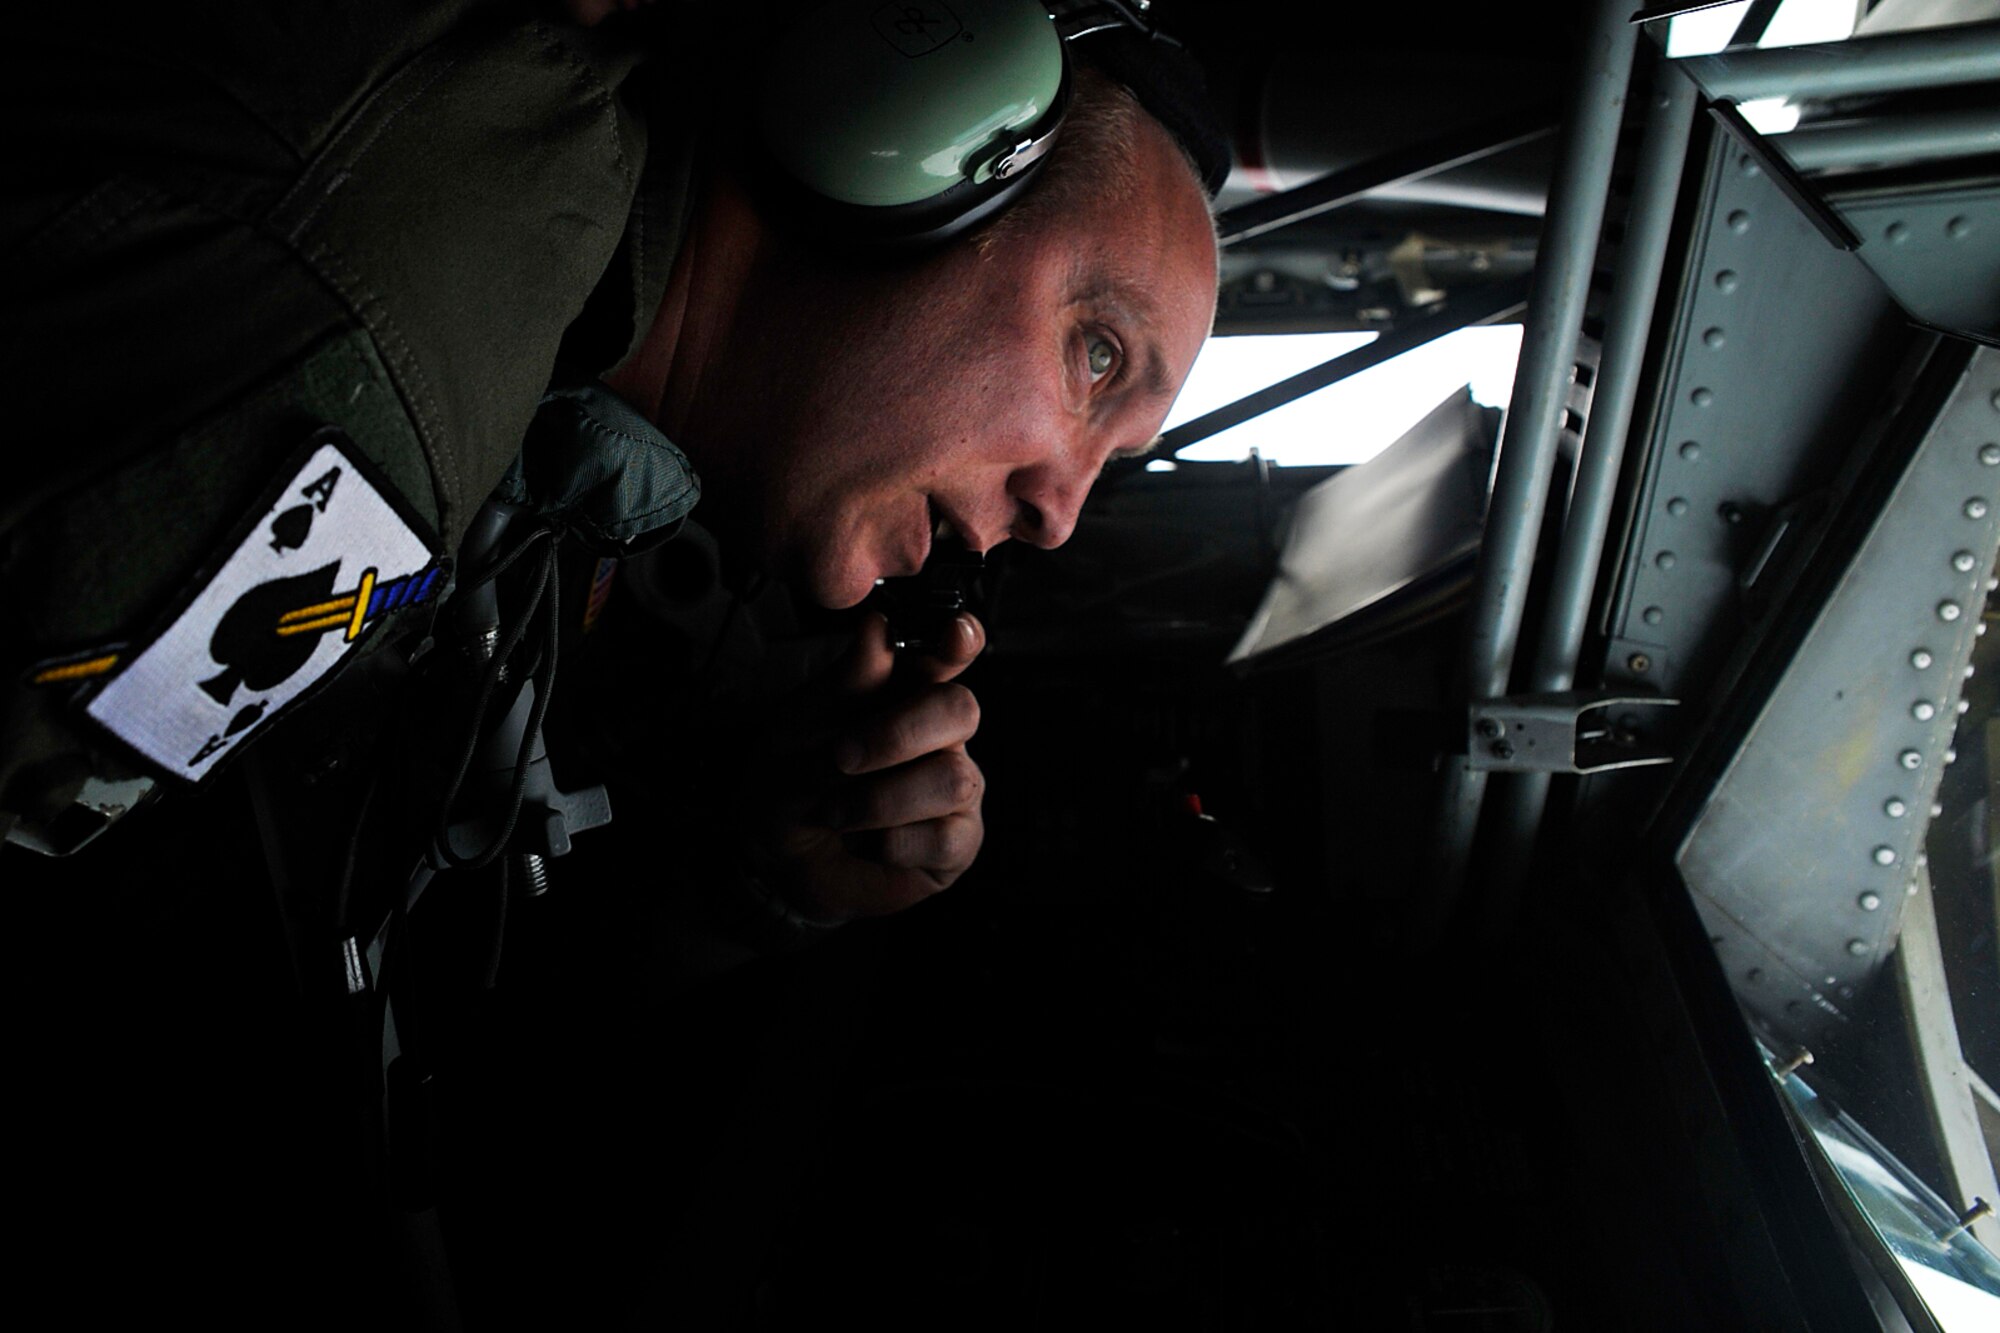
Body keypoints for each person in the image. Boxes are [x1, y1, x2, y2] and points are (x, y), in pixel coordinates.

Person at [2, 0, 1224, 1321]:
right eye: (1097, 354)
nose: (1060, 513)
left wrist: (750, 873)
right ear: (896, 144)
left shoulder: (558, 341)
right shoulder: (395, 367)